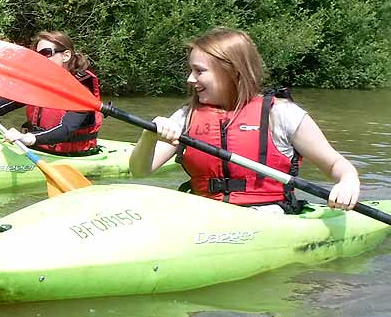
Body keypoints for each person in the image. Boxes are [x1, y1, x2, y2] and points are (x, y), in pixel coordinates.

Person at [129, 27, 360, 212]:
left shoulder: (280, 114)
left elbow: (336, 165)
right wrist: (149, 135)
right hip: (203, 211)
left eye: (199, 71)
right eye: (191, 70)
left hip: (266, 215)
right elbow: (139, 171)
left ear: (232, 72)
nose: (190, 79)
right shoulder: (185, 117)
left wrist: (348, 181)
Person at [0, 30, 102, 155]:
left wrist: (27, 138)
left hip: (72, 156)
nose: (40, 60)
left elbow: (65, 130)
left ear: (65, 56)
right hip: (38, 148)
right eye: (37, 55)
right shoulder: (39, 85)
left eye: (46, 53)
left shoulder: (82, 91)